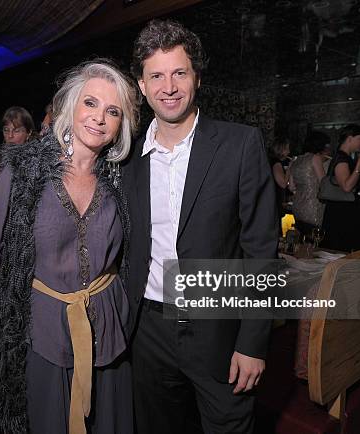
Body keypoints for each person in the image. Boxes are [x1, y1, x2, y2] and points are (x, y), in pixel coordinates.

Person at [124, 19, 277, 434]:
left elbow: (262, 252)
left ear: (197, 77)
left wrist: (252, 343)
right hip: (147, 331)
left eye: (179, 73)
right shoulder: (125, 156)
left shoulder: (241, 143)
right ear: (141, 86)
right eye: (156, 76)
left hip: (219, 328)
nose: (168, 87)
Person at [0, 59, 140, 434]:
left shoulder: (122, 179)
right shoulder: (22, 173)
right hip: (41, 329)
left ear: (121, 126)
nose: (99, 118)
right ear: (70, 106)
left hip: (108, 328)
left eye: (112, 111)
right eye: (91, 103)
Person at [321, 124, 360, 252]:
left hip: (342, 209)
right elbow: (347, 186)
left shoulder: (344, 157)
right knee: (341, 248)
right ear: (349, 138)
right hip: (342, 212)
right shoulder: (342, 159)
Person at [289, 130, 329, 237]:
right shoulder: (315, 158)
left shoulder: (296, 160)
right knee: (313, 241)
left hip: (297, 207)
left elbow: (291, 186)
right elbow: (324, 183)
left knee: (301, 240)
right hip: (312, 207)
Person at [0, 106, 36, 178]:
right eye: (6, 130)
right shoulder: (1, 158)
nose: (10, 135)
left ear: (29, 133)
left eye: (16, 130)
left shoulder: (35, 163)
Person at [268, 137, 291, 234]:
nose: (289, 152)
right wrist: (290, 167)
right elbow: (283, 184)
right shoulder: (276, 163)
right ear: (280, 149)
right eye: (287, 149)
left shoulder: (271, 161)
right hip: (274, 202)